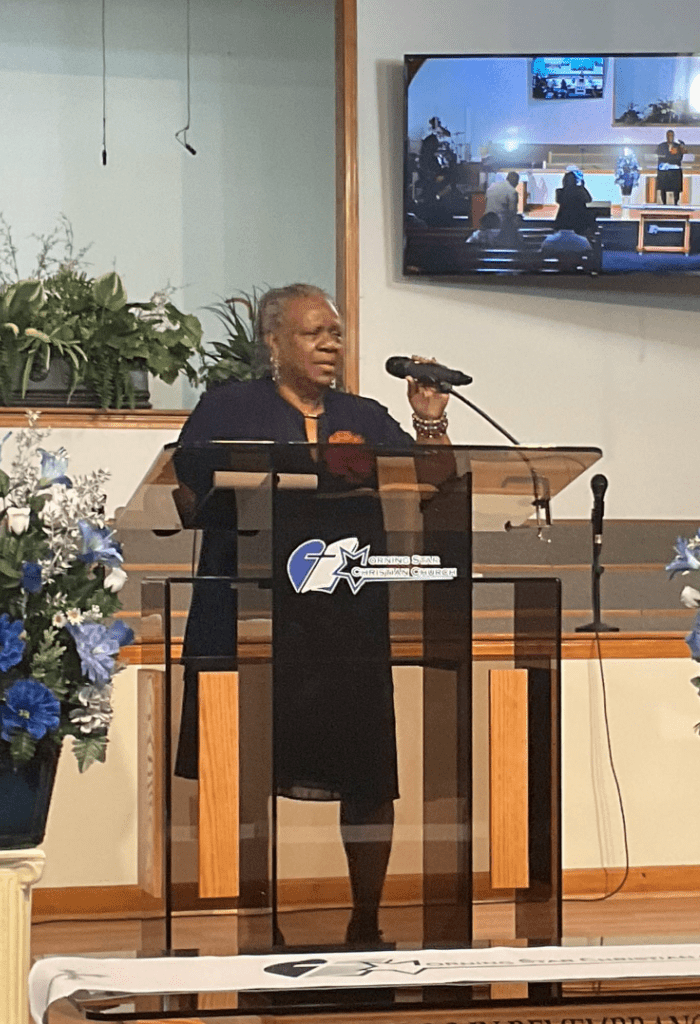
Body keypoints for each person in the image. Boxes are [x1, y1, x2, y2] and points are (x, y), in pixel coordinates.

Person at [173, 284, 450, 949]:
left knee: (365, 771)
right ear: (274, 341)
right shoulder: (229, 407)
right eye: (314, 333)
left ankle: (366, 921)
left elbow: (433, 482)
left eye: (337, 334)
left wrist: (429, 421)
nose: (331, 344)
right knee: (246, 770)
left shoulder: (364, 415)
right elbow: (185, 493)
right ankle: (251, 921)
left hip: (343, 624)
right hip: (250, 619)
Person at [554, 171, 594, 236]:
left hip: (563, 220)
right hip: (579, 221)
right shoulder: (579, 191)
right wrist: (582, 188)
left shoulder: (560, 192)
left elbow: (558, 200)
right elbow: (588, 199)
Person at [656, 130, 686, 205]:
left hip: (675, 171)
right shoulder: (661, 146)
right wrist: (671, 157)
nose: (670, 137)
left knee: (676, 184)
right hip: (664, 171)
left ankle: (676, 202)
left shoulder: (677, 146)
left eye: (671, 136)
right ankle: (664, 203)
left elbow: (679, 158)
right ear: (666, 136)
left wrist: (670, 157)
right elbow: (661, 157)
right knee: (663, 184)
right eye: (669, 135)